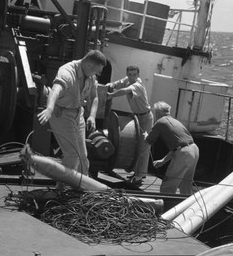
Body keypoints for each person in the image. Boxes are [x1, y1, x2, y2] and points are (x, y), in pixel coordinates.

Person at [37, 49, 107, 188]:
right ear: (89, 66)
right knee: (72, 156)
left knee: (82, 158)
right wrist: (50, 109)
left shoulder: (90, 76)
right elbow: (56, 90)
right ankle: (60, 190)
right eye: (97, 71)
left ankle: (82, 190)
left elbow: (94, 97)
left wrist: (92, 116)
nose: (97, 74)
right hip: (61, 115)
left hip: (78, 114)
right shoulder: (67, 72)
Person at [106, 65, 153, 185]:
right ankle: (136, 171)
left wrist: (111, 95)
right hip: (137, 116)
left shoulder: (137, 85)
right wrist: (111, 85)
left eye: (134, 75)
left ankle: (140, 174)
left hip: (145, 118)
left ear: (138, 75)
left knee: (144, 146)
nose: (132, 77)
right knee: (137, 146)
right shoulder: (127, 80)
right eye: (130, 74)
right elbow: (120, 83)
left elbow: (124, 91)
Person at [146, 101, 199, 195]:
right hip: (194, 149)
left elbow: (148, 141)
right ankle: (186, 205)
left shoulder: (160, 122)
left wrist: (144, 136)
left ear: (157, 113)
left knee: (168, 185)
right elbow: (177, 148)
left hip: (184, 153)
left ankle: (166, 206)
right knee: (185, 184)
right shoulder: (175, 121)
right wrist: (162, 161)